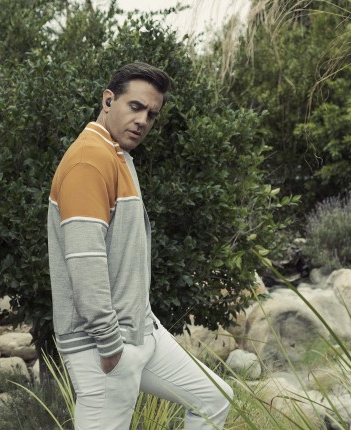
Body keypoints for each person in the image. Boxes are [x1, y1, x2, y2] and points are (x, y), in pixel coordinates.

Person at [47, 62, 233, 430]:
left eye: (151, 114)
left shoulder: (116, 156)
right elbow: (85, 263)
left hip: (141, 331)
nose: (143, 121)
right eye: (135, 107)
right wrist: (110, 345)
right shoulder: (88, 161)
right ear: (108, 100)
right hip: (103, 345)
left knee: (214, 398)